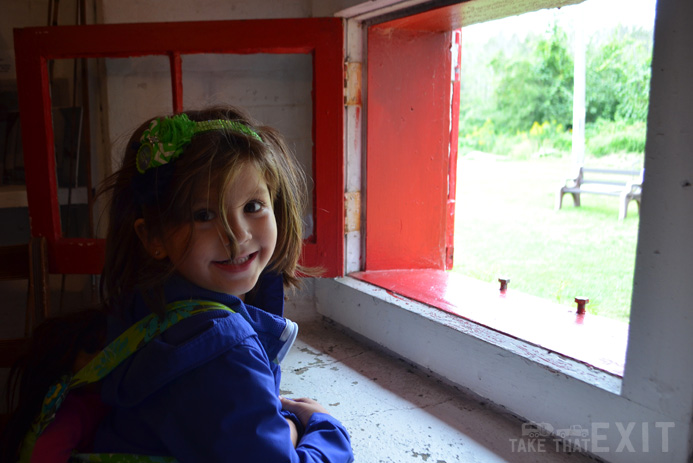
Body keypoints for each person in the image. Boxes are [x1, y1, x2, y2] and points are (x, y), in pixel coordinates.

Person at [4, 107, 354, 463]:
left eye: (252, 206)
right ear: (154, 235)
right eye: (204, 215)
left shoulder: (147, 306)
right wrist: (323, 428)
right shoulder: (224, 351)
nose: (237, 236)